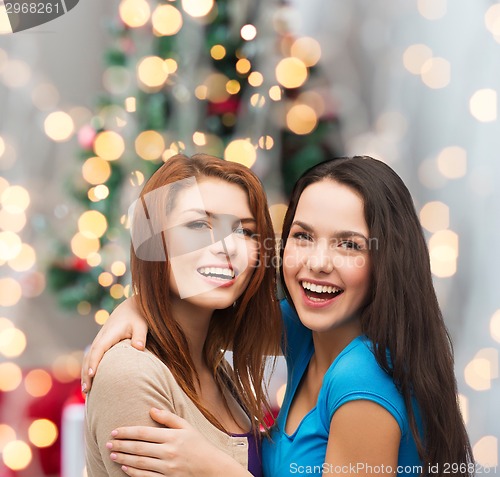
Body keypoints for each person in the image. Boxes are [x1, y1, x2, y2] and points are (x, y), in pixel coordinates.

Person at [83, 156, 473, 477]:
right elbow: (220, 317)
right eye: (303, 236)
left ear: (388, 261)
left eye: (349, 244)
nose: (317, 263)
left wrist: (219, 471)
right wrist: (139, 303)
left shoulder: (362, 377)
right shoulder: (306, 331)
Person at [84, 153, 282, 477]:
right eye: (198, 224)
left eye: (244, 231)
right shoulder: (131, 372)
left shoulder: (216, 367)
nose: (227, 246)